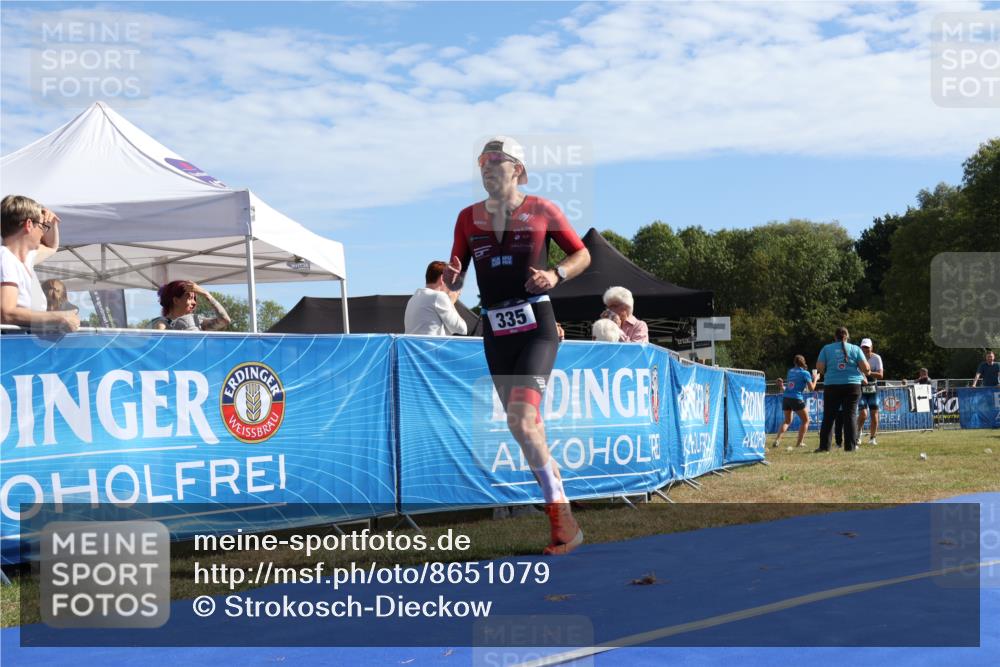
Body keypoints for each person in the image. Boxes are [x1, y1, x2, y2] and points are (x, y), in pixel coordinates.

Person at [445, 135, 591, 555]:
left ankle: (562, 522)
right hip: (496, 329)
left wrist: (557, 274)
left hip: (536, 324)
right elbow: (457, 277)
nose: (486, 167)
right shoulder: (467, 218)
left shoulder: (543, 209)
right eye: (481, 162)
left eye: (495, 160)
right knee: (520, 425)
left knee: (524, 420)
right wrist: (454, 281)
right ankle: (564, 515)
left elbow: (581, 255)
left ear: (518, 169)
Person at [0, 195, 80, 332]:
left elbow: (51, 247)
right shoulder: (5, 257)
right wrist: (58, 317)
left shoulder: (25, 258)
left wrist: (52, 222)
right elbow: (5, 313)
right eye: (42, 226)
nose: (43, 233)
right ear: (29, 225)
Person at [814, 326, 870, 453]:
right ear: (847, 337)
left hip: (832, 385)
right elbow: (865, 368)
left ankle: (824, 447)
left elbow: (820, 367)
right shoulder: (855, 349)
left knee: (829, 416)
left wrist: (829, 371)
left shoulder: (826, 349)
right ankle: (850, 447)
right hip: (852, 386)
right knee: (850, 416)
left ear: (835, 337)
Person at [404, 261, 468, 336]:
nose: (451, 287)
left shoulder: (414, 298)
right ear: (442, 278)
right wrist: (451, 302)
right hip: (432, 347)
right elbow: (462, 330)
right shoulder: (439, 297)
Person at [772, 355, 818, 448]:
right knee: (806, 420)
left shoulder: (790, 371)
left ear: (794, 363)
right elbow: (812, 388)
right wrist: (816, 378)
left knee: (787, 421)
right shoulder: (805, 373)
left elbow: (791, 386)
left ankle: (777, 440)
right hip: (796, 398)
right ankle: (799, 443)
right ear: (803, 362)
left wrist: (781, 386)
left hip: (786, 398)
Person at [151, 280, 231, 331]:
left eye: (194, 299)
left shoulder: (197, 321)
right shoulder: (161, 323)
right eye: (190, 298)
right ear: (176, 300)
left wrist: (206, 294)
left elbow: (225, 320)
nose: (194, 302)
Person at [856, 338, 884, 447]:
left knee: (874, 415)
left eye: (867, 347)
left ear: (871, 347)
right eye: (863, 347)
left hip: (873, 389)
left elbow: (881, 375)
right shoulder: (857, 358)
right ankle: (858, 435)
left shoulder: (877, 358)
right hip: (861, 389)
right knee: (863, 414)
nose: (865, 349)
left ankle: (872, 438)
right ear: (860, 347)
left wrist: (868, 372)